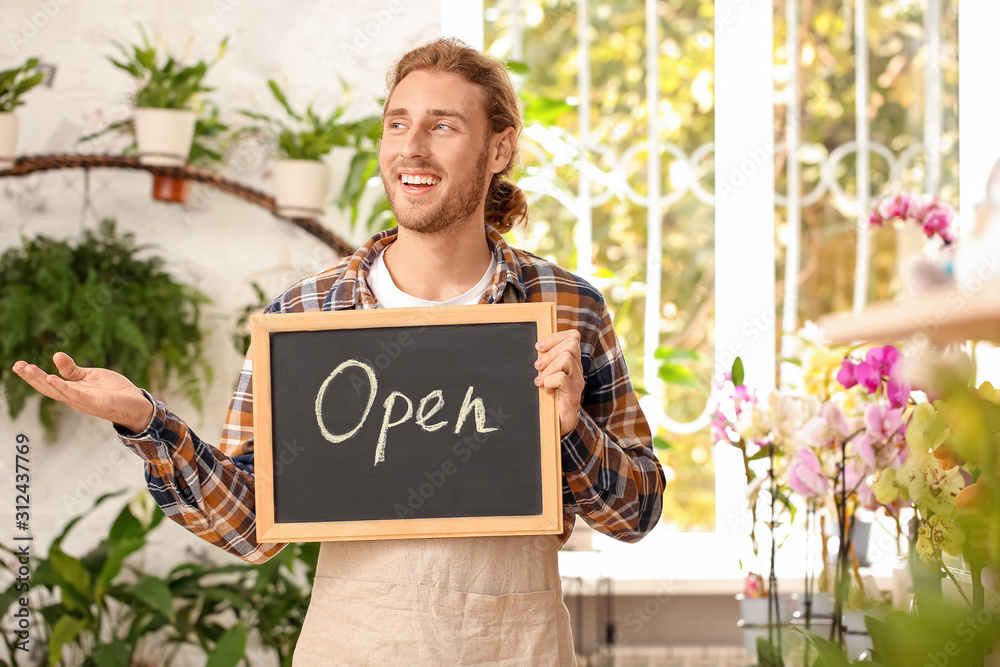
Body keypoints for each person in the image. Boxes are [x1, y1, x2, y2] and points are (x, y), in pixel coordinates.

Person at [13, 38, 665, 665]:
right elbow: (251, 524)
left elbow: (638, 512)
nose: (411, 147)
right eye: (397, 124)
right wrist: (144, 419)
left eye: (443, 127)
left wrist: (572, 429)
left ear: (500, 148)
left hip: (515, 648)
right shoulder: (305, 317)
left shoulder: (566, 307)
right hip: (355, 646)